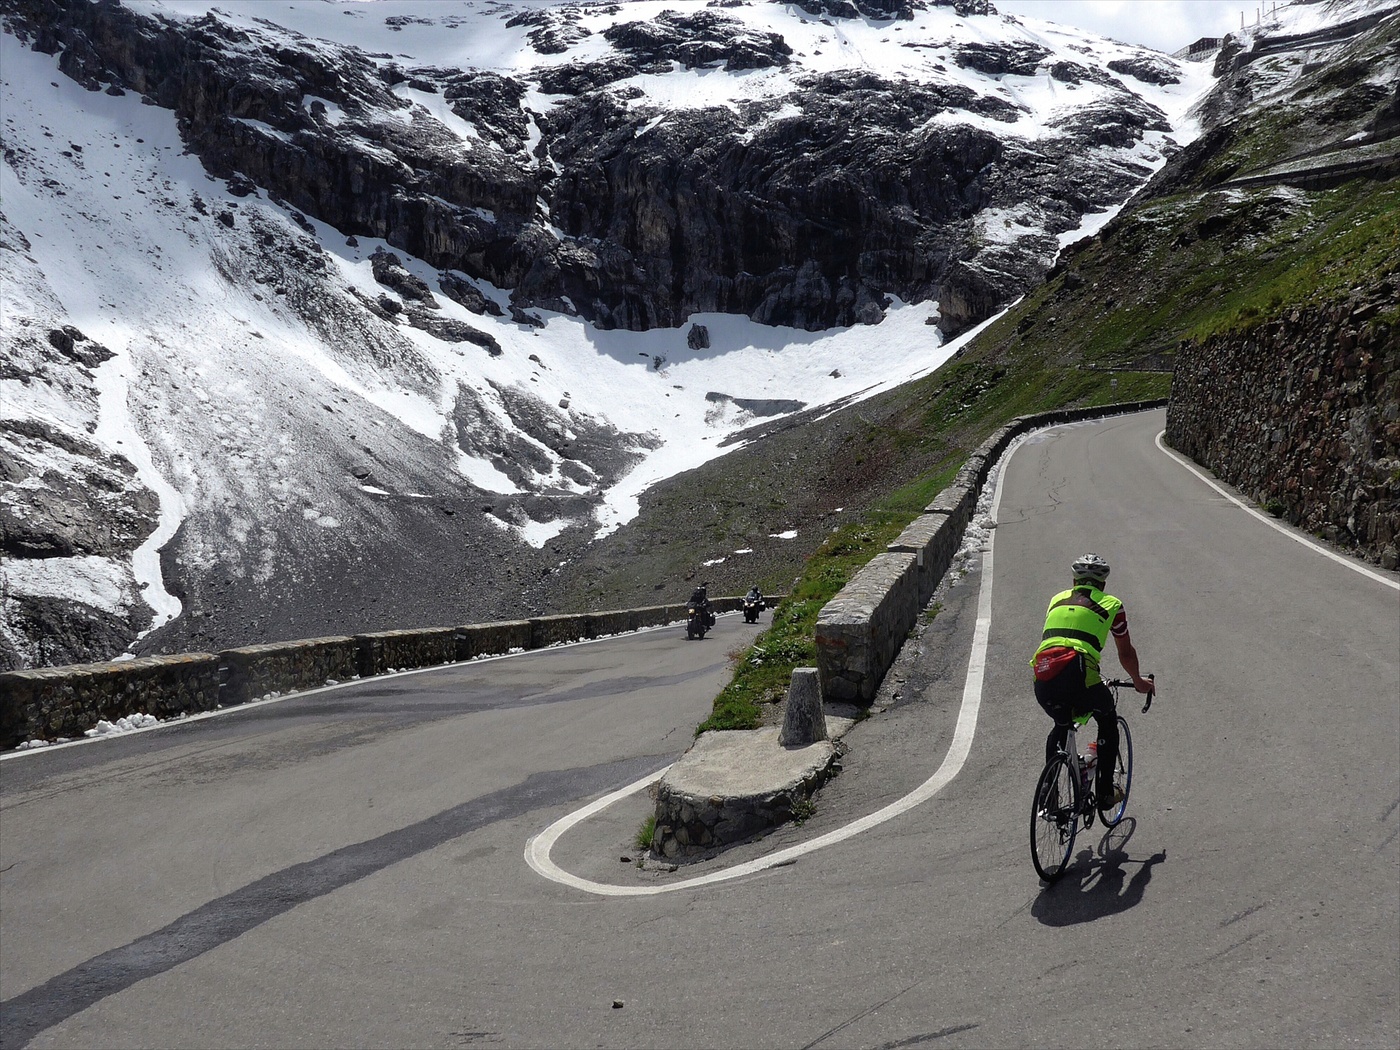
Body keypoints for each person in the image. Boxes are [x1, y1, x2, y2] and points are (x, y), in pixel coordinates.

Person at [1030, 553, 1153, 808]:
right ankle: (1106, 793)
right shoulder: (1112, 604)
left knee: (1061, 724)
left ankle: (1048, 796)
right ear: (1103, 585)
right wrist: (1138, 681)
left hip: (1043, 672)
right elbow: (1126, 652)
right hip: (1078, 670)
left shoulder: (1056, 600)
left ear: (1074, 581)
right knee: (1107, 720)